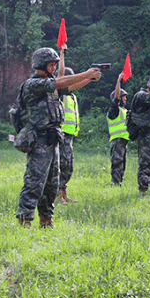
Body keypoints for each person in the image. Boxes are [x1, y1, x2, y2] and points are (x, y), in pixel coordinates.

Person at [16, 47, 101, 228]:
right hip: (38, 139)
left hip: (52, 139)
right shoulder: (34, 84)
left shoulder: (49, 85)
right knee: (34, 181)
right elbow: (60, 83)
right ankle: (25, 219)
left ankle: (46, 220)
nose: (54, 68)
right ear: (41, 65)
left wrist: (88, 78)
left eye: (55, 65)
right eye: (51, 65)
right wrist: (85, 73)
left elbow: (68, 87)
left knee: (52, 183)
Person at [57, 64, 93, 203]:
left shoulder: (72, 96)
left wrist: (90, 78)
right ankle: (57, 195)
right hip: (61, 134)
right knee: (61, 164)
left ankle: (63, 192)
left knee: (68, 164)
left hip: (69, 135)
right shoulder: (59, 93)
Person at [107, 72, 130, 186]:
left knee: (122, 163)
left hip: (123, 140)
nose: (125, 98)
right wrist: (118, 81)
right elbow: (116, 100)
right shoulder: (114, 110)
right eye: (123, 96)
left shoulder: (124, 111)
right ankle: (115, 184)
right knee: (117, 162)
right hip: (117, 140)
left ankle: (119, 183)